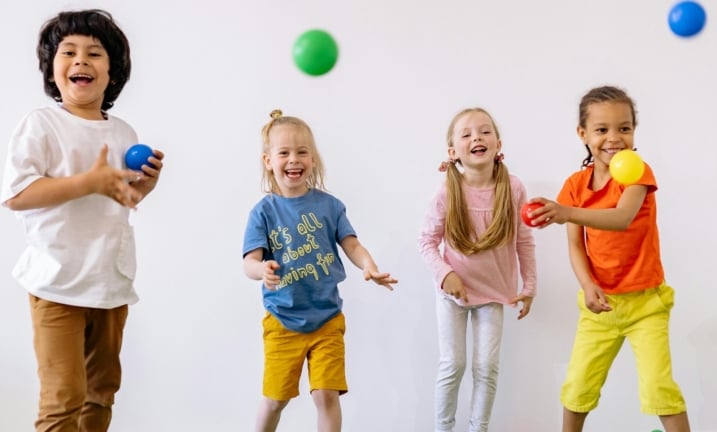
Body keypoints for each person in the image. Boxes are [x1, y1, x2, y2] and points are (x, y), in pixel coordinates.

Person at [0, 9, 164, 432]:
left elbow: (122, 198)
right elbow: (17, 195)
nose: (80, 60)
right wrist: (88, 182)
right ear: (52, 67)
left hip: (109, 283)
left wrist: (141, 189)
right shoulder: (42, 124)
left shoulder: (123, 132)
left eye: (94, 53)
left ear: (113, 71)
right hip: (57, 284)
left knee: (101, 391)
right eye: (68, 52)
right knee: (63, 398)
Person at [526, 85, 691, 432]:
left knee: (659, 388)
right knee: (578, 387)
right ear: (582, 134)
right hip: (600, 306)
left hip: (646, 305)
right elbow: (576, 245)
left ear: (634, 130)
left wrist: (567, 212)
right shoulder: (575, 185)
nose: (614, 138)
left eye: (624, 128)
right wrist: (587, 285)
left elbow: (621, 218)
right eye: (602, 129)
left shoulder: (638, 172)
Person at [242, 109, 397, 432]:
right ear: (268, 161)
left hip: (327, 320)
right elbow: (249, 262)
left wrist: (369, 266)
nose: (294, 160)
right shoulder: (263, 212)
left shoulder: (330, 206)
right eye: (284, 153)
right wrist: (261, 269)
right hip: (283, 320)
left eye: (302, 152)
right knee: (275, 399)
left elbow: (352, 244)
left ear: (313, 159)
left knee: (327, 395)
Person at [418, 107, 537, 432]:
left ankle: (478, 429)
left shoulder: (513, 188)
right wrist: (446, 274)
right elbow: (426, 241)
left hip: (493, 292)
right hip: (452, 294)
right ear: (453, 152)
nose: (477, 138)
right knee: (453, 365)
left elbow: (524, 239)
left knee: (486, 367)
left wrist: (529, 286)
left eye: (485, 132)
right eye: (467, 134)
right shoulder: (447, 191)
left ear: (498, 144)